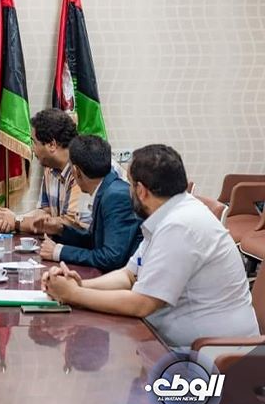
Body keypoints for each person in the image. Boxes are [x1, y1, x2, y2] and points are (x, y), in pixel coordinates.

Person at [43, 144, 260, 348]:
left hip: (213, 353)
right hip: (180, 345)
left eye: (129, 184)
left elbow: (142, 304)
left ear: (141, 190)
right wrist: (79, 285)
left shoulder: (180, 225)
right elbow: (129, 276)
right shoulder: (166, 215)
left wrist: (74, 295)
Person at [36, 135, 142, 272]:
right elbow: (94, 241)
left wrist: (58, 252)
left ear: (76, 171)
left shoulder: (115, 196)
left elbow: (111, 258)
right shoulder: (106, 188)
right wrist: (60, 230)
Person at [0, 108, 88, 234]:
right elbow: (44, 212)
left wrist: (16, 222)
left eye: (34, 143)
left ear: (52, 145)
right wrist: (12, 218)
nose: (32, 149)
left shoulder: (81, 170)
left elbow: (69, 225)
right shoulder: (50, 167)